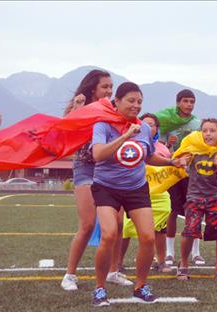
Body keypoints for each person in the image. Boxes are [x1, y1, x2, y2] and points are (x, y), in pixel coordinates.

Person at [90, 82, 188, 306]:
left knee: (147, 237)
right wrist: (125, 136)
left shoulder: (143, 127)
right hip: (106, 187)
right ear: (117, 102)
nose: (136, 105)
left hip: (136, 187)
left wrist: (171, 161)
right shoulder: (103, 125)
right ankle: (99, 288)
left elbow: (149, 155)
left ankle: (140, 285)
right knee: (109, 235)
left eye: (139, 102)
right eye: (131, 101)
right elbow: (98, 155)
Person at [61, 69, 133, 291]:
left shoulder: (113, 108)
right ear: (93, 88)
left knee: (118, 223)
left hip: (110, 168)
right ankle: (69, 275)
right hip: (85, 167)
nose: (109, 91)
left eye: (111, 87)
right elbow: (64, 132)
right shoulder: (77, 107)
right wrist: (77, 110)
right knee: (88, 224)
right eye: (105, 87)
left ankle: (113, 271)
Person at [176, 118, 217, 280]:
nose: (208, 134)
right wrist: (180, 161)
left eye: (212, 131)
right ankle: (183, 265)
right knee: (189, 232)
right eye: (205, 131)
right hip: (194, 198)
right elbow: (178, 163)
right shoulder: (193, 151)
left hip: (215, 198)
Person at [155, 89, 205, 266]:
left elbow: (203, 146)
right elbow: (159, 147)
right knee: (172, 211)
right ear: (178, 103)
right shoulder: (167, 122)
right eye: (185, 101)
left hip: (192, 173)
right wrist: (169, 144)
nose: (189, 105)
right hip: (172, 172)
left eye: (192, 101)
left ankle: (196, 252)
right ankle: (169, 252)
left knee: (195, 210)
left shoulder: (197, 124)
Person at [118, 113, 173, 273]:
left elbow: (167, 171)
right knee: (126, 229)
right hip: (135, 192)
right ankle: (118, 262)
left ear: (157, 128)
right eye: (145, 124)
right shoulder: (131, 144)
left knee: (160, 229)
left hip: (160, 194)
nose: (148, 127)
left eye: (152, 124)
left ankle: (161, 262)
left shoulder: (163, 149)